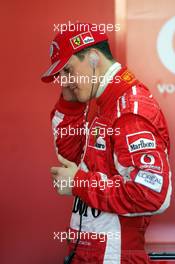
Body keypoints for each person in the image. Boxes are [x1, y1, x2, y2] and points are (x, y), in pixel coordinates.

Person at [41, 23, 172, 264]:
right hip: (86, 251)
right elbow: (71, 157)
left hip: (115, 256)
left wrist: (79, 183)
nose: (63, 82)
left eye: (68, 71)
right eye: (60, 76)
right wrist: (70, 102)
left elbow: (153, 193)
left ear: (93, 58)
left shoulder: (130, 109)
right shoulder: (98, 102)